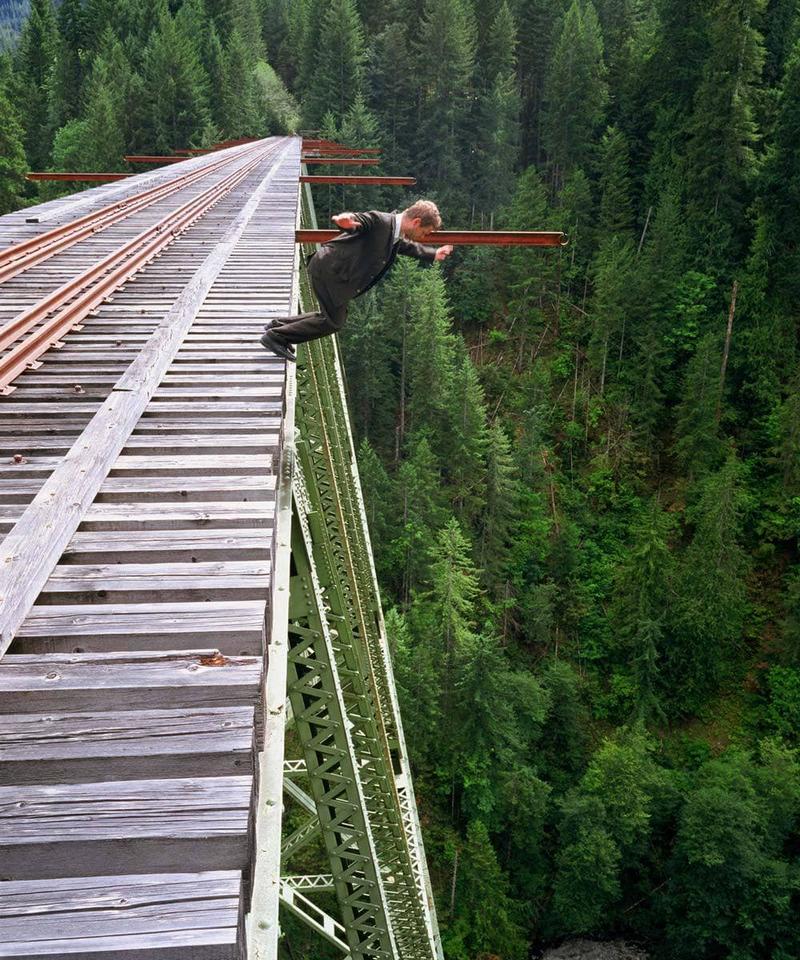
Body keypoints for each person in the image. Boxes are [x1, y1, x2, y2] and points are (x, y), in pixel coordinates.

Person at [260, 199, 454, 361]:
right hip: (331, 271)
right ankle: (276, 336)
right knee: (333, 322)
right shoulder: (381, 221)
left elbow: (406, 247)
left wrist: (434, 253)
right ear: (417, 222)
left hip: (335, 273)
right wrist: (346, 219)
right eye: (425, 233)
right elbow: (361, 220)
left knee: (330, 318)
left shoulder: (394, 232)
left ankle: (278, 326)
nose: (422, 237)